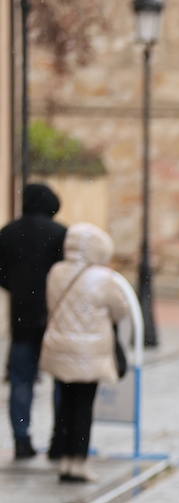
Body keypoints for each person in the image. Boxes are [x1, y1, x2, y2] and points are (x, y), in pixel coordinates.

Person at [40, 223, 136, 483]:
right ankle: (78, 462)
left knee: (65, 404)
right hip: (89, 351)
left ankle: (63, 459)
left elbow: (50, 303)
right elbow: (120, 310)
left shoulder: (56, 271)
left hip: (60, 347)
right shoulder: (102, 277)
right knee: (83, 407)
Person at [0, 183, 68, 460]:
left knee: (21, 381)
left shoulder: (8, 233)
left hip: (21, 317)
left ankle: (21, 439)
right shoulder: (60, 234)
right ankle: (58, 440)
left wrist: (18, 287)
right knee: (61, 380)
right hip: (53, 317)